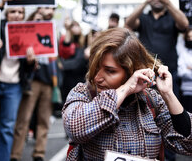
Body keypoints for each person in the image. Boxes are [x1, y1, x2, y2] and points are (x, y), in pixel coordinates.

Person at [62, 28, 192, 161]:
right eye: (95, 67)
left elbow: (187, 144)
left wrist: (168, 94)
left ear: (131, 71)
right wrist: (126, 88)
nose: (97, 78)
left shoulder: (152, 101)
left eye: (110, 71)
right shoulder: (83, 93)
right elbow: (74, 128)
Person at [0, 0, 36, 161]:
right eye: (13, 11)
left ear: (23, 15)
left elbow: (28, 71)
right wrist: (2, 2)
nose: (16, 15)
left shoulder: (28, 33)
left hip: (14, 86)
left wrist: (30, 61)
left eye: (20, 12)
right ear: (8, 13)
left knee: (7, 128)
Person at [125, 0, 189, 100]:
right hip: (146, 71)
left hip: (169, 72)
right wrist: (146, 1)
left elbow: (184, 24)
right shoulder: (144, 18)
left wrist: (167, 1)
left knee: (171, 106)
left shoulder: (172, 17)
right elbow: (129, 23)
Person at [10, 8, 55, 161]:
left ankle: (39, 153)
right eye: (36, 20)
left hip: (48, 82)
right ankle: (15, 154)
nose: (39, 22)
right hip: (32, 81)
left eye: (41, 20)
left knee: (44, 120)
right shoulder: (25, 37)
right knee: (24, 119)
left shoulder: (50, 35)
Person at [59, 20, 87, 103]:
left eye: (76, 26)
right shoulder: (67, 40)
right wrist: (67, 29)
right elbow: (66, 46)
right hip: (69, 76)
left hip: (81, 76)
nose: (75, 28)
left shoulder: (85, 40)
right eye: (73, 26)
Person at [177, 27, 192, 113]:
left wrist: (189, 68)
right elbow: (181, 73)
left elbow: (185, 72)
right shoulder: (183, 53)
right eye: (189, 37)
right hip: (186, 92)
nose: (190, 39)